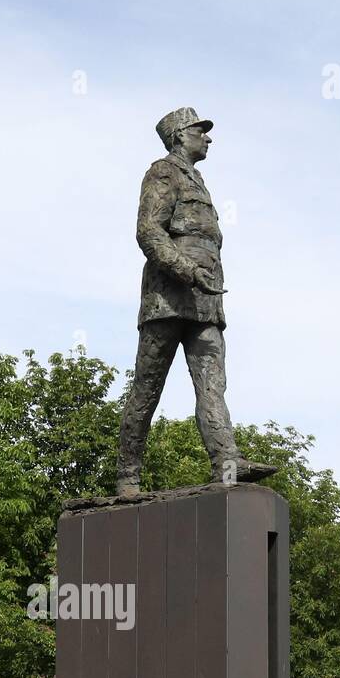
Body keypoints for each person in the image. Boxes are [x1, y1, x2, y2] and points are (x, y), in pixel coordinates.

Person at [116, 108, 269, 497]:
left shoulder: (198, 181)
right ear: (181, 135)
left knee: (212, 385)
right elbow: (148, 231)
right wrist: (186, 269)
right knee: (148, 388)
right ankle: (128, 475)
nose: (208, 137)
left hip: (205, 303)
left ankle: (227, 465)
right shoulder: (163, 172)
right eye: (201, 130)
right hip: (166, 299)